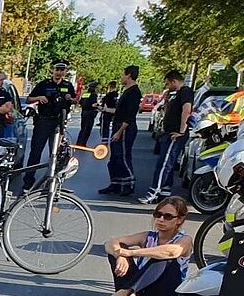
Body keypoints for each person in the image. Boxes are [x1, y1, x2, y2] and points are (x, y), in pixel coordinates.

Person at [91, 196, 192, 296]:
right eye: (158, 214)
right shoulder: (148, 236)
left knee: (162, 257)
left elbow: (172, 251)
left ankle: (122, 294)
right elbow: (110, 243)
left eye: (167, 216)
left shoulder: (185, 239)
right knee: (119, 248)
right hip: (141, 293)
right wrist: (121, 256)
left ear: (179, 220)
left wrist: (132, 252)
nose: (161, 219)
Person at [141, 70, 195, 203]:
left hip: (175, 135)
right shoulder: (173, 94)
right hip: (169, 133)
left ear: (174, 81)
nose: (167, 86)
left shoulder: (185, 91)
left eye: (167, 84)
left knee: (164, 164)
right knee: (167, 163)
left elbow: (186, 110)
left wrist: (181, 131)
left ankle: (154, 191)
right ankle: (165, 191)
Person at [22, 61, 76, 190]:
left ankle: (52, 183)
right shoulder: (44, 84)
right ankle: (28, 182)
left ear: (65, 71)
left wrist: (70, 98)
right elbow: (29, 99)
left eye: (62, 70)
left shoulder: (67, 85)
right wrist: (39, 97)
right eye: (57, 69)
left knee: (56, 154)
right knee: (35, 153)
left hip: (58, 123)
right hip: (43, 121)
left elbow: (75, 100)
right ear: (53, 70)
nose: (59, 72)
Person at [100, 66, 142, 197]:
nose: (121, 78)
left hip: (125, 128)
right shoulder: (126, 91)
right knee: (114, 158)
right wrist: (105, 110)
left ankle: (129, 183)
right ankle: (116, 183)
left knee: (123, 156)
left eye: (123, 75)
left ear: (128, 75)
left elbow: (129, 114)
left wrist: (119, 131)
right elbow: (119, 111)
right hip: (118, 125)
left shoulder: (134, 92)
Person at [77, 82, 99, 147]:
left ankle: (79, 142)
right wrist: (98, 105)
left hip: (83, 112)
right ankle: (83, 143)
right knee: (88, 129)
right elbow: (93, 104)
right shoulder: (93, 95)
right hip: (90, 113)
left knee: (83, 128)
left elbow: (80, 102)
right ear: (94, 88)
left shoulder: (85, 94)